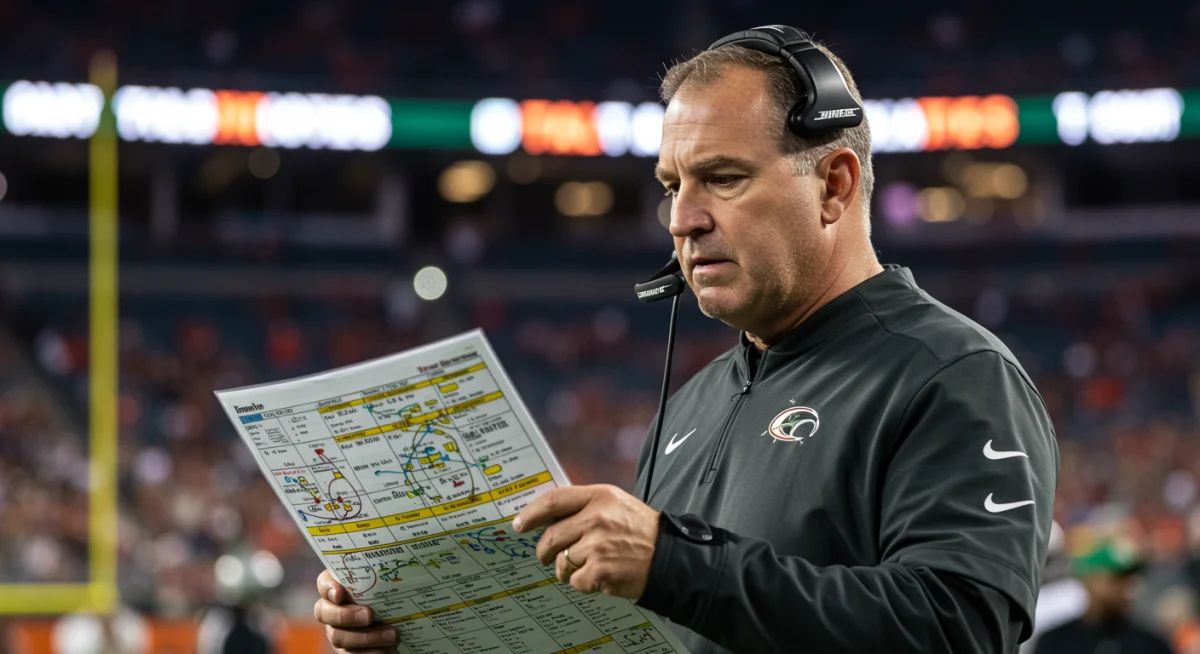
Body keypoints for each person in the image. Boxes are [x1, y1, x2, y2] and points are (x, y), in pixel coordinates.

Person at [313, 25, 1059, 653]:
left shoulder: (954, 374)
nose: (681, 219)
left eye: (723, 178)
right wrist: (428, 635)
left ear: (833, 185)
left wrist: (676, 563)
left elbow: (959, 629)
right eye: (673, 185)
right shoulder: (694, 403)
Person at [1034, 540, 1173, 654]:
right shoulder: (1054, 641)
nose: (1128, 589)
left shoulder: (1152, 645)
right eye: (1117, 579)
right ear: (1089, 581)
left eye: (1131, 580)